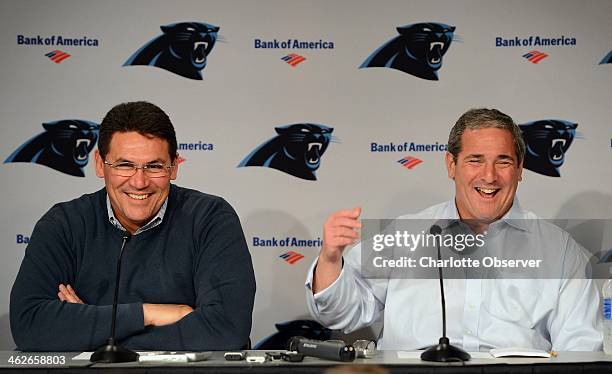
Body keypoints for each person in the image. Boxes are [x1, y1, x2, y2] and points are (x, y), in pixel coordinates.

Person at [305, 108, 602, 351]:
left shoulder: (559, 251)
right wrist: (331, 260)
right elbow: (339, 313)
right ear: (451, 165)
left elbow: (581, 349)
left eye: (503, 161)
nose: (489, 176)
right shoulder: (406, 236)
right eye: (475, 160)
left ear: (520, 169)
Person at [10, 101, 256, 351]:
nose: (139, 182)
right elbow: (30, 325)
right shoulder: (63, 224)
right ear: (99, 164)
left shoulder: (210, 219)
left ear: (174, 167)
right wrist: (148, 314)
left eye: (154, 166)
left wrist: (92, 331)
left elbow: (225, 330)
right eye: (124, 165)